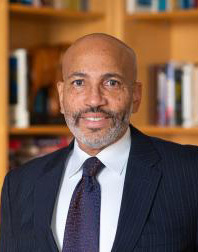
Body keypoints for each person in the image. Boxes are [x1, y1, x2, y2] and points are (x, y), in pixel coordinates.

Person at [1, 33, 198, 252]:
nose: (94, 100)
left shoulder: (190, 172)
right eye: (78, 83)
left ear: (136, 95)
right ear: (61, 96)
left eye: (111, 83)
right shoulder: (19, 185)